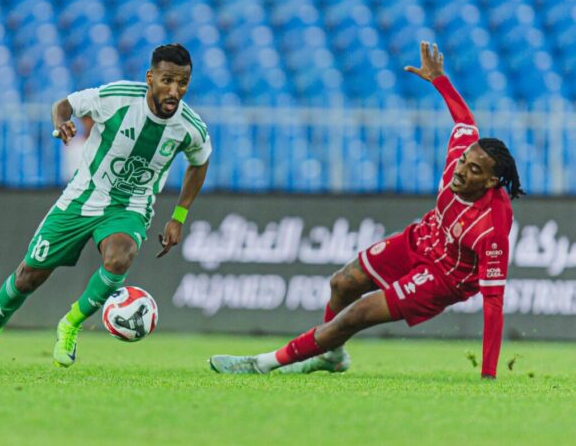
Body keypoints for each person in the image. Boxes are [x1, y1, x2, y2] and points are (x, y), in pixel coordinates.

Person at [209, 41, 524, 379]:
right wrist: (439, 80)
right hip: (421, 239)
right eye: (463, 161)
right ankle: (331, 356)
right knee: (342, 283)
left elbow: (493, 302)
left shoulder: (491, 229)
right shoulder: (462, 154)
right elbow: (464, 119)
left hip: (443, 278)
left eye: (474, 170)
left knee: (356, 315)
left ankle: (262, 363)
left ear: (491, 181)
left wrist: (488, 375)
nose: (461, 171)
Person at [0, 43, 211, 371]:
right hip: (83, 196)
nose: (175, 91)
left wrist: (179, 216)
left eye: (183, 83)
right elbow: (64, 105)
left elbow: (199, 162)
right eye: (167, 81)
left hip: (130, 206)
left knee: (120, 257)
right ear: (150, 78)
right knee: (27, 277)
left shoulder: (190, 127)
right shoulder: (118, 97)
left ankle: (70, 324)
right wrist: (61, 122)